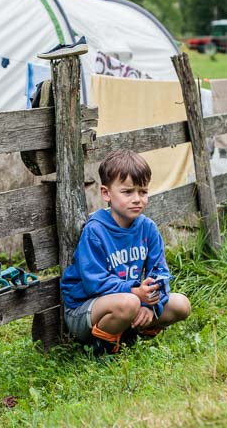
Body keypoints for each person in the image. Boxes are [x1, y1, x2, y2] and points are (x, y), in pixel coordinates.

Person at [60, 150, 191, 354]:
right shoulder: (96, 231)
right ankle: (102, 347)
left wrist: (150, 305)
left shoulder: (148, 229)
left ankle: (131, 333)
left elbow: (160, 272)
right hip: (85, 311)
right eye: (128, 192)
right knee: (128, 303)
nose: (137, 199)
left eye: (143, 191)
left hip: (130, 301)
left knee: (181, 304)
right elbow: (94, 282)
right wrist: (135, 293)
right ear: (106, 193)